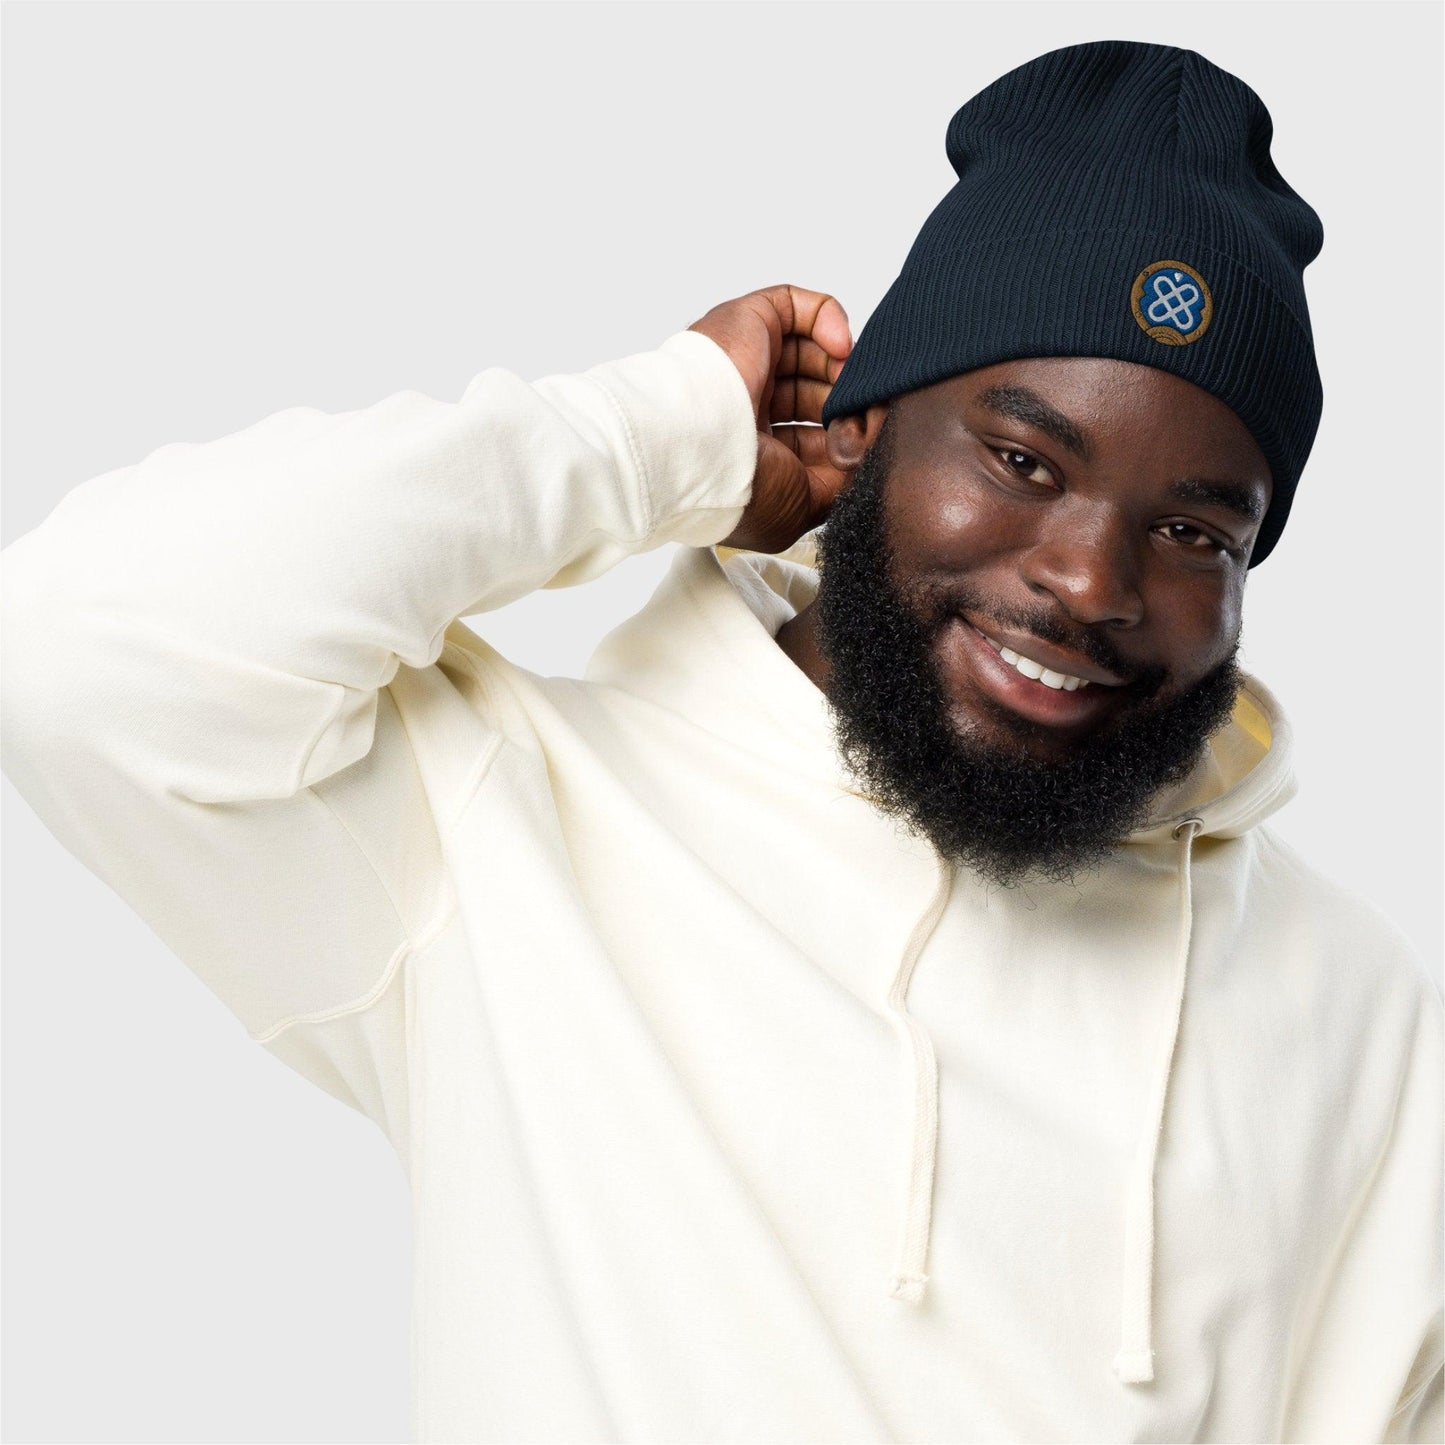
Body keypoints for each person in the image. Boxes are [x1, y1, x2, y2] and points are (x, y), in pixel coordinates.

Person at [3, 38, 1440, 1445]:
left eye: (1193, 531)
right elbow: (80, 637)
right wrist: (663, 434)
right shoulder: (508, 825)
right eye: (1020, 460)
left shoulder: (1361, 1015)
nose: (1086, 583)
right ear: (866, 425)